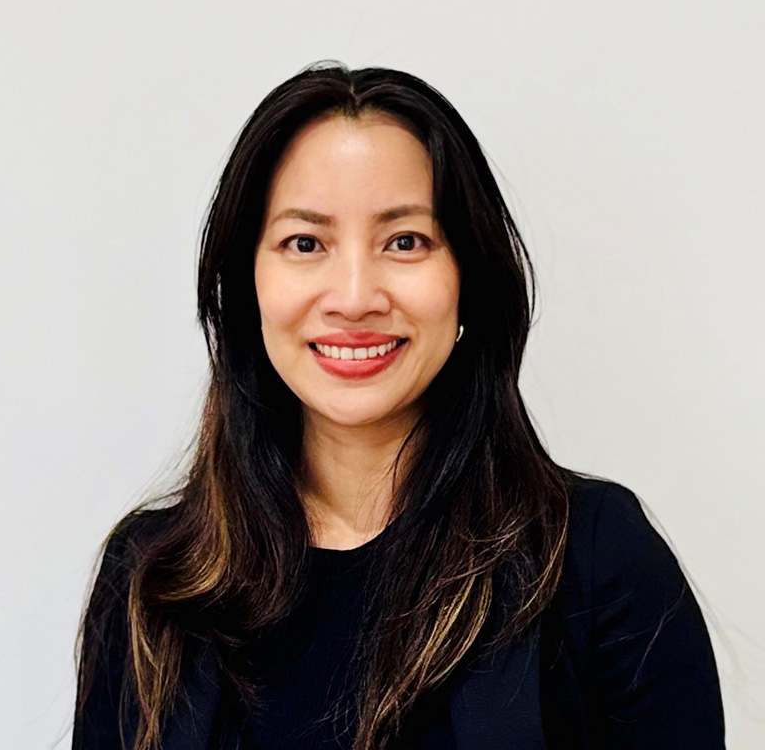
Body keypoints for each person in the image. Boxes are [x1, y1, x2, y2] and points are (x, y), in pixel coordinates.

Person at [72, 63, 725, 750]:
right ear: (246, 284)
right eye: (305, 243)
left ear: (468, 277)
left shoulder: (595, 560)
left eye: (405, 242)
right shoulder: (152, 581)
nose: (355, 297)